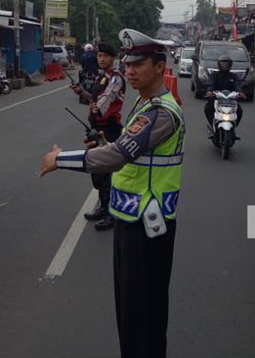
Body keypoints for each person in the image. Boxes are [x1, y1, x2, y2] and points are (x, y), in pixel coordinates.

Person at [39, 28, 185, 358]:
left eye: (139, 64)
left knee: (143, 318)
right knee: (130, 313)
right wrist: (102, 144)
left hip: (148, 229)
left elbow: (119, 156)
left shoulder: (161, 112)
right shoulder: (143, 104)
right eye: (128, 63)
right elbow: (125, 151)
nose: (130, 70)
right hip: (129, 222)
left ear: (159, 67)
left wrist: (60, 159)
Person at [70, 42, 127, 231]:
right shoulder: (101, 77)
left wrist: (94, 105)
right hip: (95, 128)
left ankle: (112, 214)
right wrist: (82, 93)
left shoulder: (116, 79)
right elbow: (94, 101)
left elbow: (104, 102)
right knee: (97, 172)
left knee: (108, 172)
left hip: (109, 130)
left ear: (113, 58)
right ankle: (103, 207)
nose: (101, 59)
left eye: (105, 56)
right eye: (99, 56)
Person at [204, 53, 248, 128]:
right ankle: (213, 125)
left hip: (230, 100)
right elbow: (211, 84)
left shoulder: (233, 76)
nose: (224, 65)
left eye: (226, 63)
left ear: (230, 65)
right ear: (219, 64)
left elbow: (237, 85)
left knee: (239, 111)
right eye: (222, 63)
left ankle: (234, 126)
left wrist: (240, 92)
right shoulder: (215, 75)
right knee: (207, 109)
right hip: (217, 99)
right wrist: (209, 91)